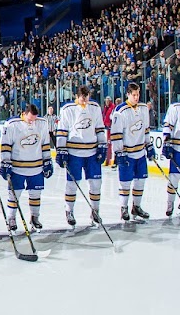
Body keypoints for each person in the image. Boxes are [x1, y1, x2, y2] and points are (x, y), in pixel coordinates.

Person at [55, 85, 106, 227]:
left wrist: (102, 146)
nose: (85, 99)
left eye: (87, 96)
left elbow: (100, 128)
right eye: (82, 97)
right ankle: (69, 210)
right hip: (74, 153)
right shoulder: (67, 109)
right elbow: (62, 131)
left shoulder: (95, 107)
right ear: (76, 96)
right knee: (72, 184)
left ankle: (95, 211)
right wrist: (61, 150)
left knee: (96, 184)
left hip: (92, 152)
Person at [0, 104, 52, 231]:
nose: (32, 122)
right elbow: (6, 145)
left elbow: (45, 144)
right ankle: (11, 218)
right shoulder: (12, 124)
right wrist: (5, 162)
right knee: (14, 194)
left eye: (34, 119)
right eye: (30, 119)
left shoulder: (42, 123)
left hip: (36, 167)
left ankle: (35, 217)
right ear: (24, 114)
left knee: (35, 194)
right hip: (18, 167)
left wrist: (47, 160)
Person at [110, 83, 152, 221]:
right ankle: (124, 208)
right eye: (134, 95)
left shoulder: (144, 108)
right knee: (125, 182)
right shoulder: (120, 111)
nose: (136, 97)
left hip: (140, 152)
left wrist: (149, 145)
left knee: (140, 181)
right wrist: (118, 151)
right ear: (128, 94)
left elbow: (146, 129)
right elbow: (116, 134)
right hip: (127, 153)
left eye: (138, 94)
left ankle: (136, 207)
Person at [162, 99, 180, 216]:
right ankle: (170, 203)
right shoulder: (175, 107)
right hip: (177, 148)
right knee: (173, 178)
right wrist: (167, 142)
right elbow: (168, 125)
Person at [102, 96, 115, 166]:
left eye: (108, 101)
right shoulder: (106, 108)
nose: (106, 102)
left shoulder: (112, 107)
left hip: (111, 128)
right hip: (107, 128)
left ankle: (111, 159)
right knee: (108, 144)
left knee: (111, 144)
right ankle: (107, 159)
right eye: (106, 101)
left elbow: (111, 117)